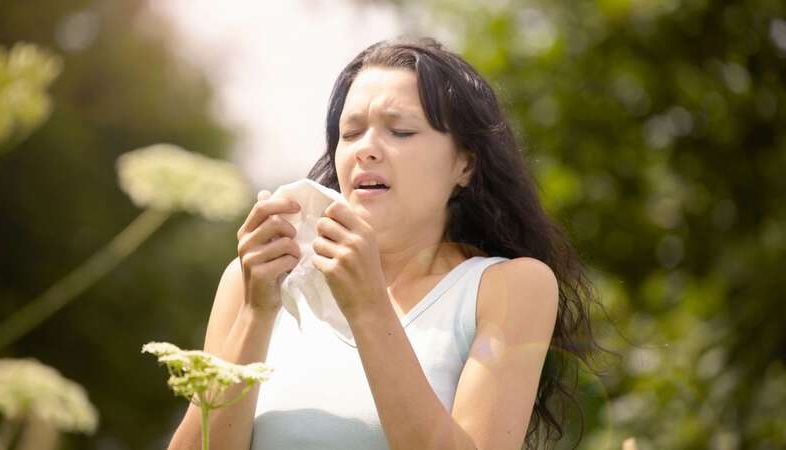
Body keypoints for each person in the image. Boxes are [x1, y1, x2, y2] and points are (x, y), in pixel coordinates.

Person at [167, 36, 604, 450]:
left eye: (401, 131)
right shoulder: (254, 282)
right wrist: (256, 312)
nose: (367, 149)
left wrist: (369, 309)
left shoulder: (510, 287)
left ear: (465, 165)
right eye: (352, 133)